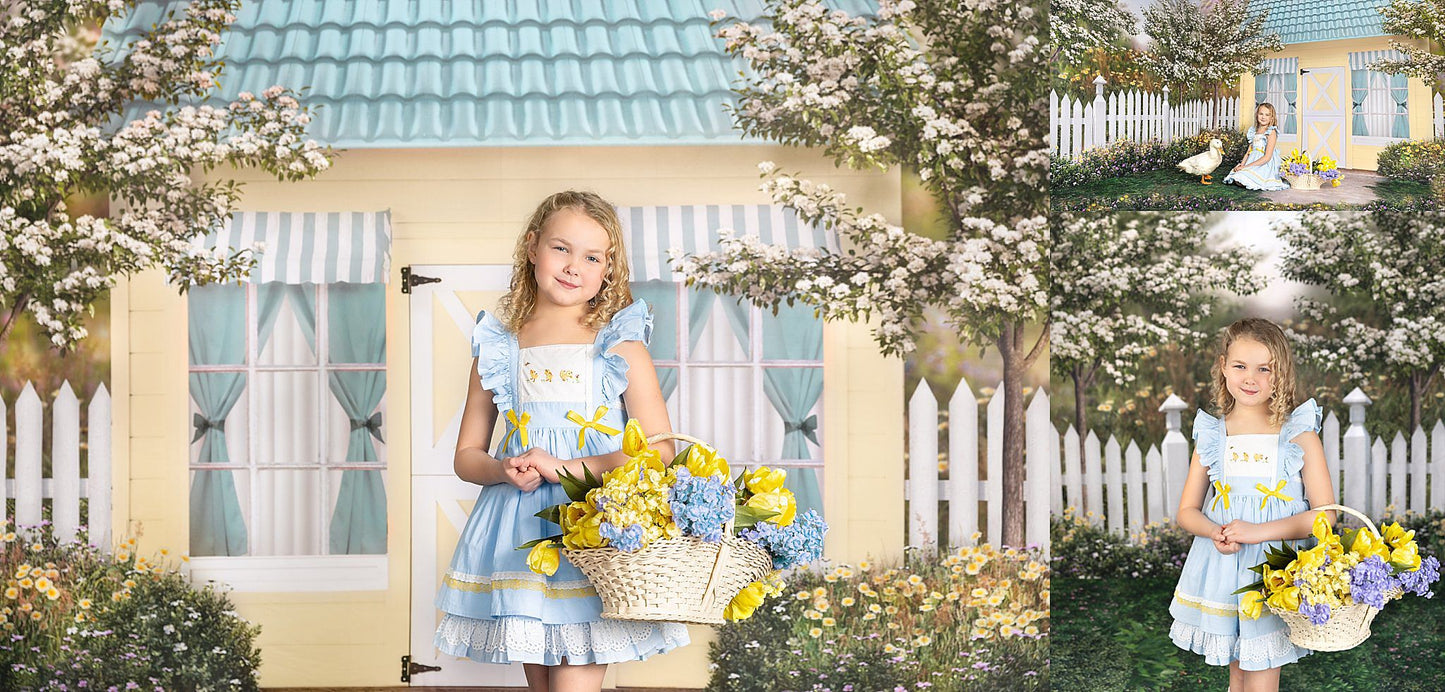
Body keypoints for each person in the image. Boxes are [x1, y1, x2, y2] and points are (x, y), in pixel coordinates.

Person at [434, 190, 687, 692]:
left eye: (592, 257)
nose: (574, 267)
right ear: (532, 248)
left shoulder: (619, 344)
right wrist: (502, 468)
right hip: (520, 534)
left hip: (593, 531)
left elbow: (660, 451)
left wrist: (565, 468)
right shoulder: (500, 347)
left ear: (608, 268)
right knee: (545, 685)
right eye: (561, 249)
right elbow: (467, 457)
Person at [1169, 318, 1336, 692]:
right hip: (1224, 569)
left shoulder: (1298, 433)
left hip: (1273, 572)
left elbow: (1326, 515)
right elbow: (1187, 511)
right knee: (1240, 672)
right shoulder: (1213, 435)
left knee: (1262, 673)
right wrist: (1216, 530)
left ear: (1281, 374)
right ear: (1223, 367)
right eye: (1240, 366)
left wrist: (1256, 532)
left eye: (1265, 369)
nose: (1251, 378)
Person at [1223, 103, 1291, 191]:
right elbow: (1248, 152)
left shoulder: (1271, 132)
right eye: (1261, 114)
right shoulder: (1254, 131)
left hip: (1263, 164)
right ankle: (1248, 177)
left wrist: (1246, 167)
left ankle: (1255, 179)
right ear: (1257, 115)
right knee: (1237, 177)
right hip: (1251, 160)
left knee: (1244, 178)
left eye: (1267, 115)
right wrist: (1242, 165)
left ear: (1272, 118)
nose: (1263, 117)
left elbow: (1267, 157)